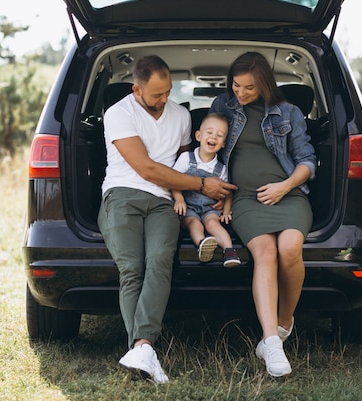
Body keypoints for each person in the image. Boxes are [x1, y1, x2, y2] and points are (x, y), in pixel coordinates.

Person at [97, 55, 237, 384]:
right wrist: (202, 185)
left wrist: (199, 193)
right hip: (122, 194)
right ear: (137, 89)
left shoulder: (181, 115)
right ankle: (143, 348)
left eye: (168, 92)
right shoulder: (119, 113)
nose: (164, 100)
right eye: (157, 94)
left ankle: (141, 349)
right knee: (132, 268)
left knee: (160, 260)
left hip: (164, 200)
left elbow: (186, 163)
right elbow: (146, 168)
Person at [209, 52, 316, 377]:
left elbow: (308, 161)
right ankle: (271, 341)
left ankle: (284, 323)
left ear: (265, 85)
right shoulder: (223, 107)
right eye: (236, 85)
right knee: (266, 253)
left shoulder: (289, 112)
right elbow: (209, 146)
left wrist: (283, 187)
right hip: (245, 200)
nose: (240, 93)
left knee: (289, 250)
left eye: (249, 89)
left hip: (289, 195)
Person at [171, 113, 241, 268]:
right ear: (198, 135)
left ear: (223, 144)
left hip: (210, 208)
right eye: (209, 133)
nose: (213, 137)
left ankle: (229, 251)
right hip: (188, 208)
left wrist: (227, 209)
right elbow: (174, 181)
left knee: (213, 223)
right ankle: (202, 244)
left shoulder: (221, 168)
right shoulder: (186, 158)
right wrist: (179, 200)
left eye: (219, 135)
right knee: (194, 223)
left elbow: (228, 191)